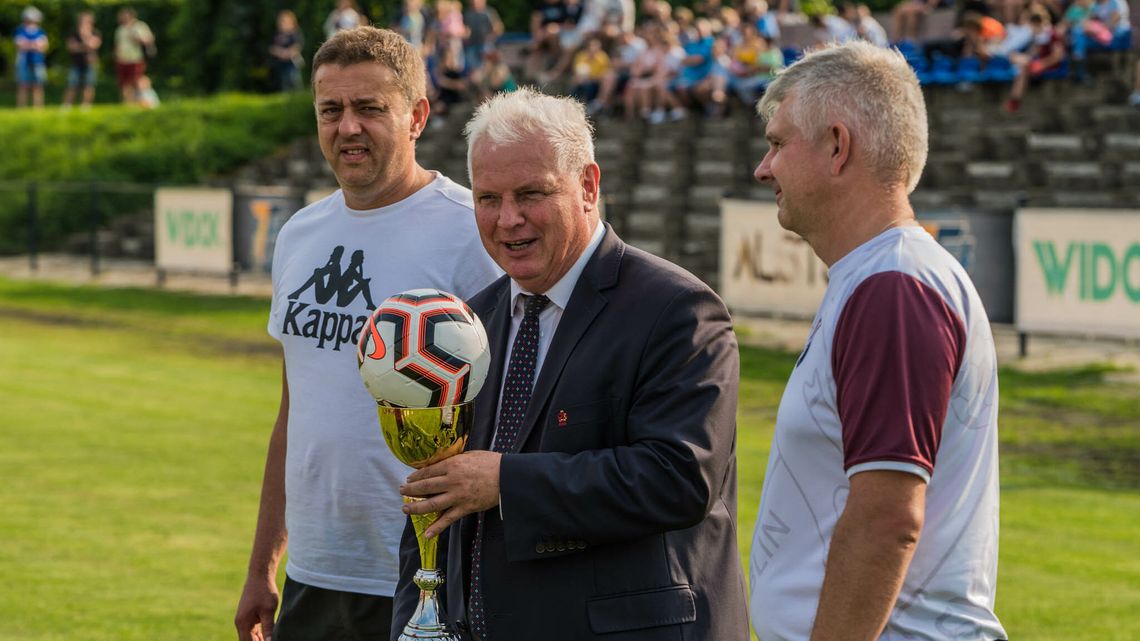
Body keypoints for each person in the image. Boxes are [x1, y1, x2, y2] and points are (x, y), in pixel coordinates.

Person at [393, 87, 748, 640]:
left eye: (530, 194)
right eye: (487, 199)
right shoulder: (468, 324)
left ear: (587, 185)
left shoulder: (678, 309)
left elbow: (680, 478)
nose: (508, 219)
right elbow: (437, 495)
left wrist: (507, 481)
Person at [234, 26, 500, 641]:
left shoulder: (471, 231)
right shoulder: (299, 233)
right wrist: (262, 567)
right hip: (314, 575)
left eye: (370, 108)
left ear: (417, 117)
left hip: (428, 574)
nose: (347, 126)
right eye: (331, 110)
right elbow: (293, 412)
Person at [748, 40, 1007, 641]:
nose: (764, 168)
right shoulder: (877, 276)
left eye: (779, 143)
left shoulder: (894, 285)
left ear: (837, 146)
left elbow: (887, 518)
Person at [114, 7, 156, 105]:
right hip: (122, 59)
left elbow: (149, 40)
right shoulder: (120, 29)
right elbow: (118, 45)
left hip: (135, 58)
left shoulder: (140, 26)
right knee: (124, 83)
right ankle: (128, 103)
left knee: (135, 82)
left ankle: (140, 101)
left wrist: (137, 38)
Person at [62, 11, 102, 110]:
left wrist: (84, 37)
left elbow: (93, 45)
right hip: (76, 63)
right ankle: (67, 105)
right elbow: (71, 47)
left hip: (90, 64)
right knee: (72, 85)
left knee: (89, 85)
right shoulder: (74, 34)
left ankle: (85, 106)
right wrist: (85, 46)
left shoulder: (95, 33)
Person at [14, 6, 48, 109]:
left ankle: (38, 108)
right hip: (23, 62)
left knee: (38, 86)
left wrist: (28, 45)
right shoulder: (20, 30)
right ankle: (21, 107)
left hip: (38, 62)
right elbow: (19, 45)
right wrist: (34, 45)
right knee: (23, 85)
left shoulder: (40, 31)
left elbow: (44, 46)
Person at [269, 10, 304, 92]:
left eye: (285, 22)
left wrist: (287, 53)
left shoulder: (294, 34)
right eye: (281, 22)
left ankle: (297, 95)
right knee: (283, 81)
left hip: (292, 62)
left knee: (293, 79)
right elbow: (272, 48)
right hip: (280, 62)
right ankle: (286, 96)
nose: (283, 25)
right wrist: (279, 52)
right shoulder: (277, 35)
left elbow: (297, 46)